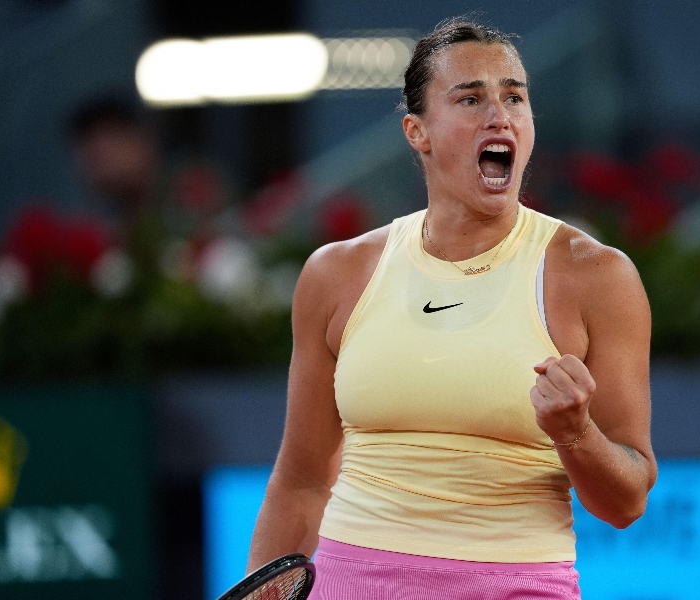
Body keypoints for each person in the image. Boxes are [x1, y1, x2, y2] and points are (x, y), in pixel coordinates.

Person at [247, 17, 656, 600]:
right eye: (470, 98)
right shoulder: (336, 274)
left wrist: (576, 434)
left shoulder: (596, 276)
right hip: (348, 585)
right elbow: (304, 479)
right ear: (418, 131)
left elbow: (627, 502)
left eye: (515, 96)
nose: (500, 115)